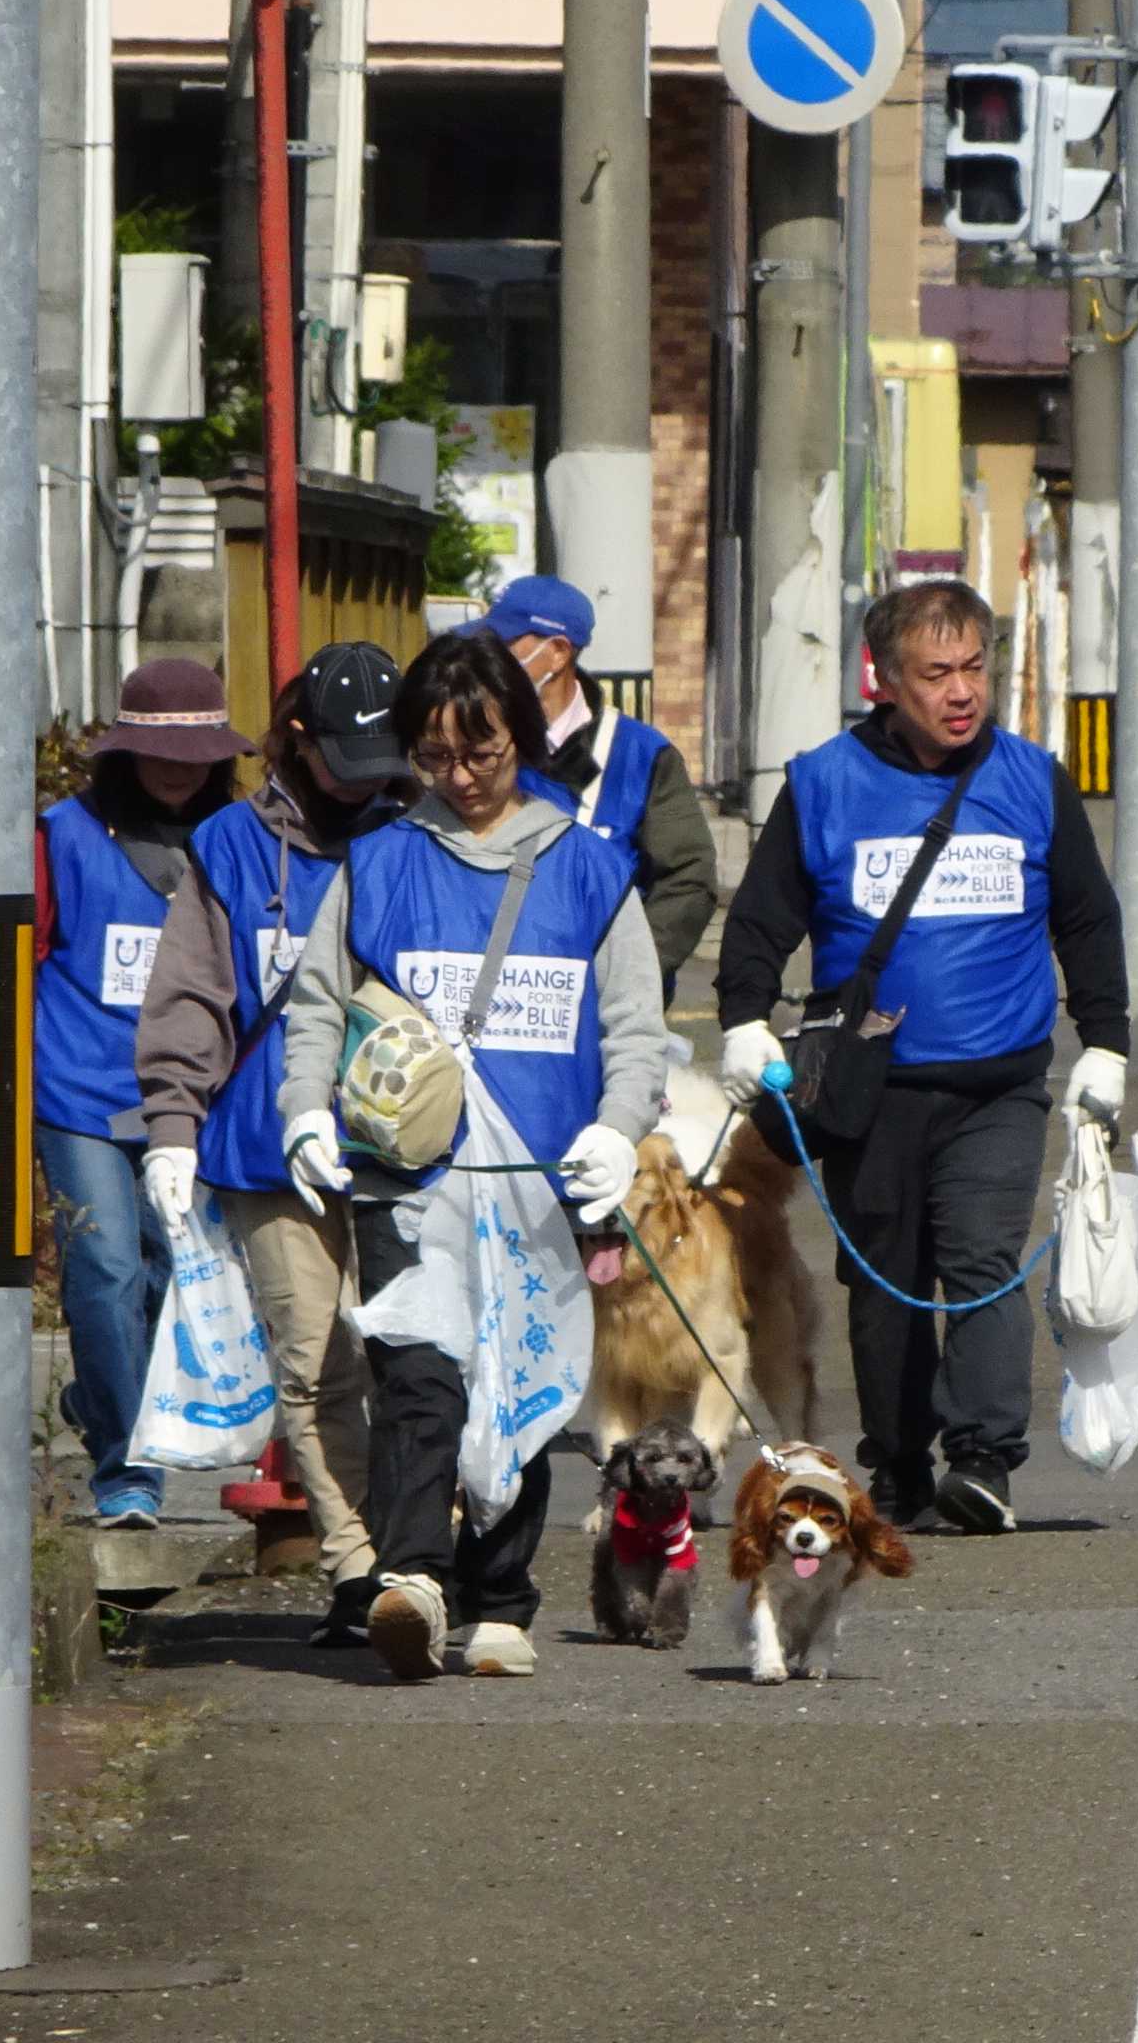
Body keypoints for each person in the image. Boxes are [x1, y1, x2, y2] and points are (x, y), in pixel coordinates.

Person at [273, 631, 670, 1682]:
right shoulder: (381, 861)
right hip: (410, 1177)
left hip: (543, 1183)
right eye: (435, 757)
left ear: (521, 743)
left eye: (480, 754)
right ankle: (415, 1579)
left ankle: (502, 1595)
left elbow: (635, 1028)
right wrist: (304, 1112)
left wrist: (617, 1131)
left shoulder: (590, 871)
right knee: (421, 1382)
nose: (458, 778)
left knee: (522, 1379)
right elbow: (318, 1008)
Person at [714, 578, 1128, 1538]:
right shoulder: (822, 783)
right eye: (935, 672)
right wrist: (742, 1018)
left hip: (999, 1083)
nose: (961, 692)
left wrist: (1105, 1045)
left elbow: (1087, 919)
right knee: (884, 1280)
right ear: (885, 680)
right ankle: (897, 1461)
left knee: (981, 1262)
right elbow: (762, 920)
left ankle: (983, 1461)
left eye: (974, 668)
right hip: (869, 1089)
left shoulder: (1032, 779)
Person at [131, 642, 416, 1647]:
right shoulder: (231, 846)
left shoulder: (415, 838)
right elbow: (192, 995)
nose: (370, 778)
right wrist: (173, 1125)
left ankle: (420, 1551)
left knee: (411, 1358)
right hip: (262, 1146)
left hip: (400, 1144)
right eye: (351, 759)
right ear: (299, 738)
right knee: (315, 1363)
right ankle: (356, 1569)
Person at [32, 659, 248, 1528]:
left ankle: (101, 1397)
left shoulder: (234, 839)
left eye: (198, 752)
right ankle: (127, 1468)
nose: (180, 767)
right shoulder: (62, 836)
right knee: (107, 1266)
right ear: (121, 752)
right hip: (78, 1091)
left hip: (193, 1100)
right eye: (162, 751)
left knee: (174, 1275)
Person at [465, 574, 719, 996]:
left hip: (604, 1013)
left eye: (504, 647)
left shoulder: (641, 755)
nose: (486, 663)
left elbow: (688, 878)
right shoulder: (474, 749)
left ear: (558, 652)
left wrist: (627, 979)